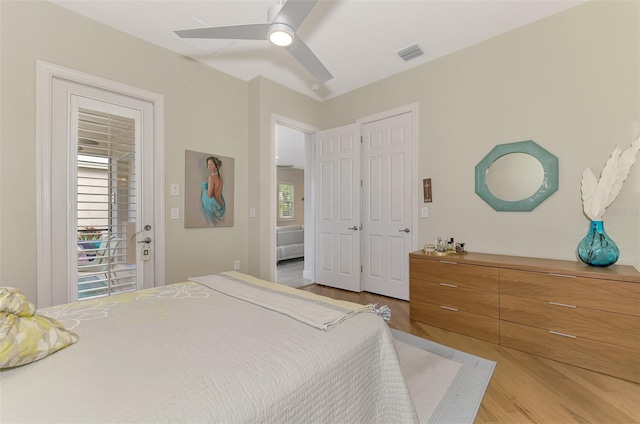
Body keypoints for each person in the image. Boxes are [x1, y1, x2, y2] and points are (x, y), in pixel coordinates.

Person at [201, 156, 226, 224]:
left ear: (216, 166)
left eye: (211, 164)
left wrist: (204, 188)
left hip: (214, 206)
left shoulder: (211, 178)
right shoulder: (220, 178)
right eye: (208, 164)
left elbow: (209, 195)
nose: (209, 167)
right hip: (221, 206)